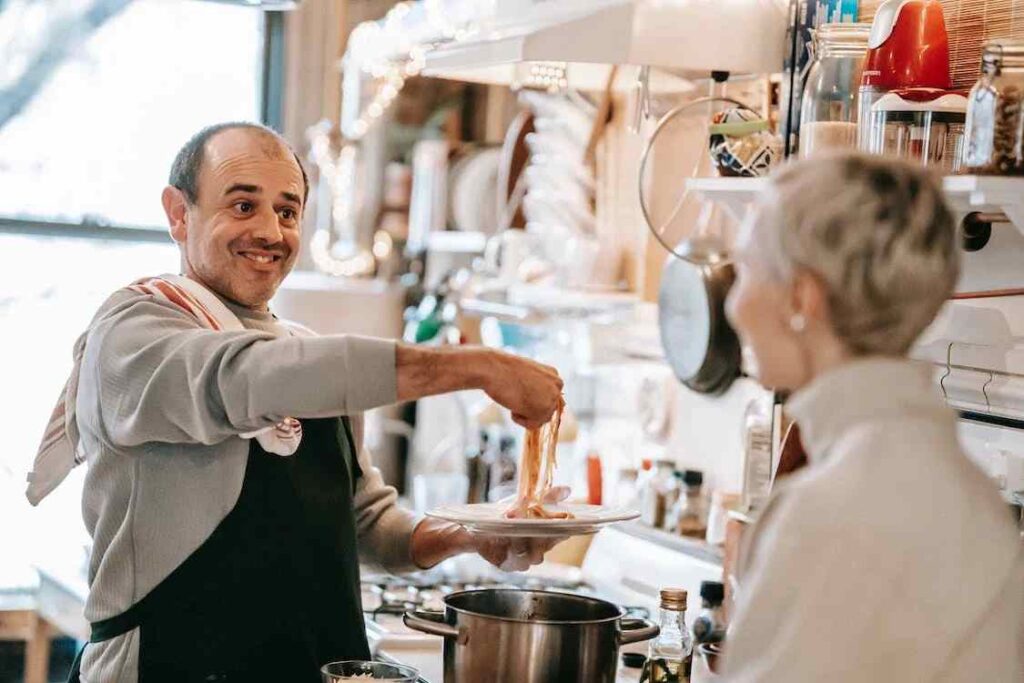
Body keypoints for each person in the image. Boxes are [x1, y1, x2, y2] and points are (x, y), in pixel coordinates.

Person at [30, 122, 566, 682]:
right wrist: (479, 366)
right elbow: (242, 378)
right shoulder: (134, 331)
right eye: (242, 206)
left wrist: (473, 535)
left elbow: (369, 525)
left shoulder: (307, 359)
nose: (269, 231)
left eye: (287, 213)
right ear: (178, 213)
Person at [721, 152, 1024, 681]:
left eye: (745, 270)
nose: (732, 304)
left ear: (801, 298)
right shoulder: (961, 484)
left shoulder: (832, 511)